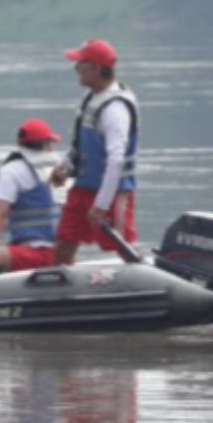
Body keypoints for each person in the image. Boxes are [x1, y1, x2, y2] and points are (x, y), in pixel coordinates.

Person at [50, 38, 138, 265]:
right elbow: (81, 146)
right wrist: (65, 168)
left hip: (111, 193)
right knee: (62, 248)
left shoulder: (115, 109)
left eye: (81, 64)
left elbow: (116, 162)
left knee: (124, 250)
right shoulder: (90, 99)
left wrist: (101, 205)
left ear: (97, 68)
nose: (76, 69)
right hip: (82, 189)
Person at [0, 117, 64, 271]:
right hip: (61, 252)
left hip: (37, 252)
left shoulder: (12, 169)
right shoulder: (58, 170)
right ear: (44, 144)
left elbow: (2, 212)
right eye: (49, 143)